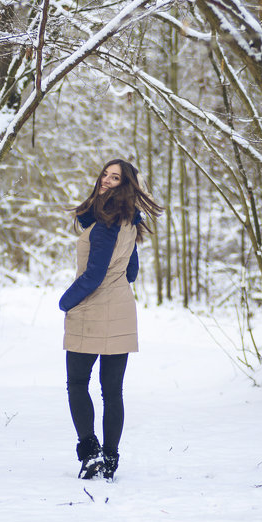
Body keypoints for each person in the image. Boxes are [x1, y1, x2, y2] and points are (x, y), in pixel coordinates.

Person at [59, 159, 162, 481]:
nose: (105, 180)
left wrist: (65, 302)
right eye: (105, 174)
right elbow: (130, 272)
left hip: (90, 308)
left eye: (114, 177)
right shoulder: (129, 220)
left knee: (78, 384)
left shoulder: (105, 224)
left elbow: (93, 275)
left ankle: (90, 454)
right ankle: (110, 458)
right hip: (120, 308)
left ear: (125, 183)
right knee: (112, 391)